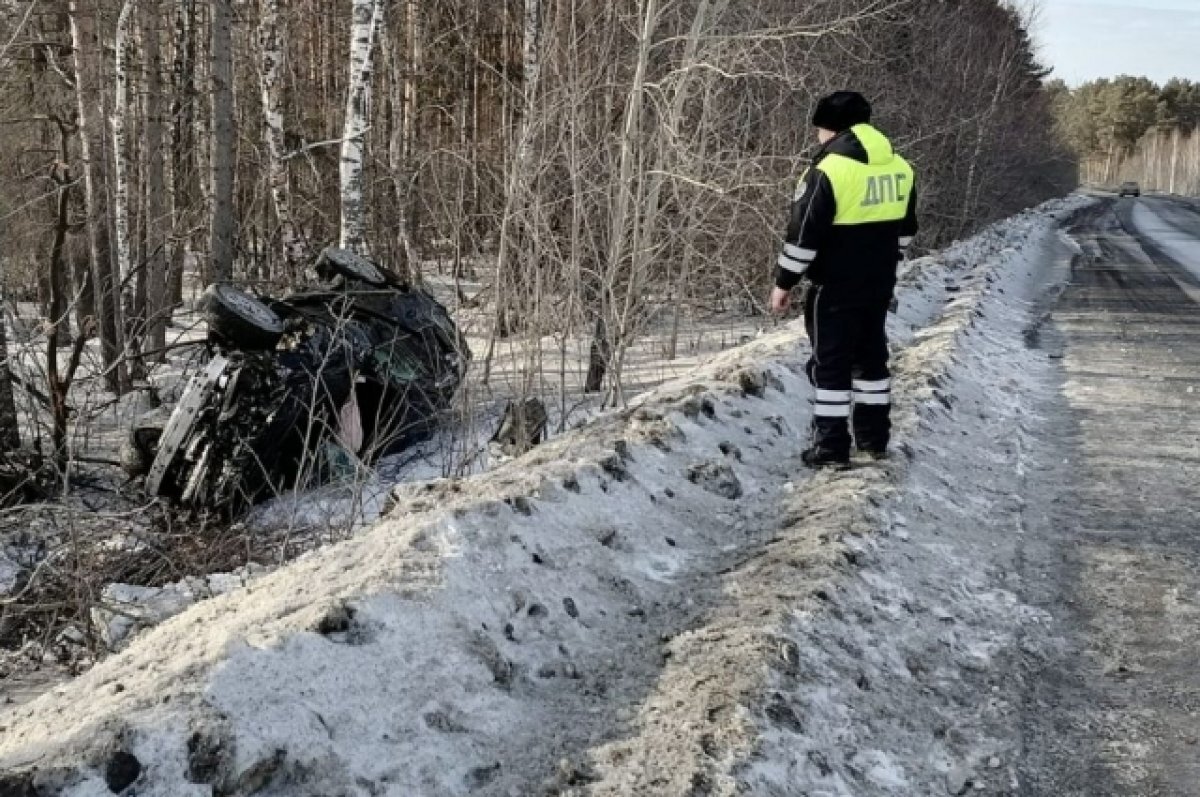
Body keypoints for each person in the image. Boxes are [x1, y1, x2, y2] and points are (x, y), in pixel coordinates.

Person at [770, 91, 918, 469]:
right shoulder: (900, 167)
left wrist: (784, 283)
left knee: (831, 366)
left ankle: (831, 448)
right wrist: (886, 259)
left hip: (834, 287)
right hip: (879, 283)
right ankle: (873, 440)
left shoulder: (828, 170)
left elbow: (803, 236)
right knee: (872, 360)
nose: (818, 135)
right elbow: (906, 231)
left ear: (831, 128)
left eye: (820, 127)